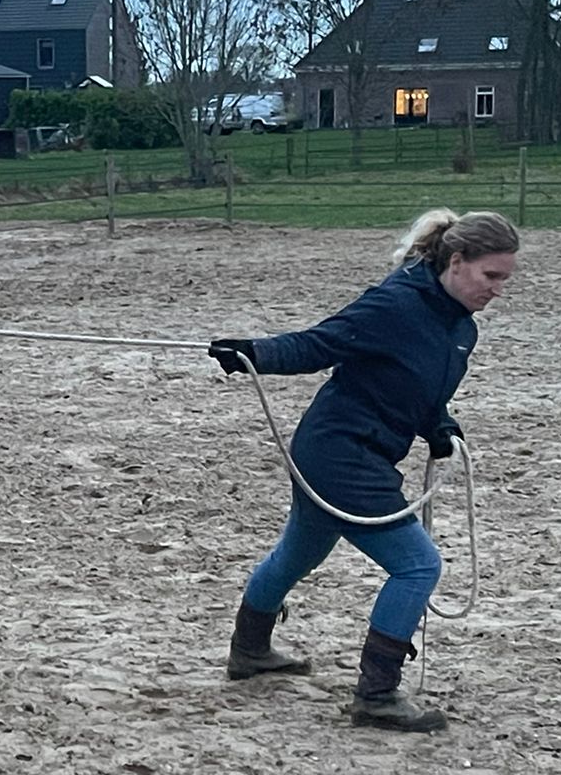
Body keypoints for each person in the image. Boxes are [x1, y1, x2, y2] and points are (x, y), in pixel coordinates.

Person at [208, 209, 520, 733]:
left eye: (505, 279)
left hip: (355, 452)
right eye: (492, 277)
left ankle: (250, 652)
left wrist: (438, 424)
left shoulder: (460, 328)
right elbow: (319, 342)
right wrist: (254, 353)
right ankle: (377, 696)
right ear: (458, 261)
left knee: (299, 551)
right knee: (418, 566)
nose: (498, 290)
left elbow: (419, 386)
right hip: (340, 453)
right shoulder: (394, 303)